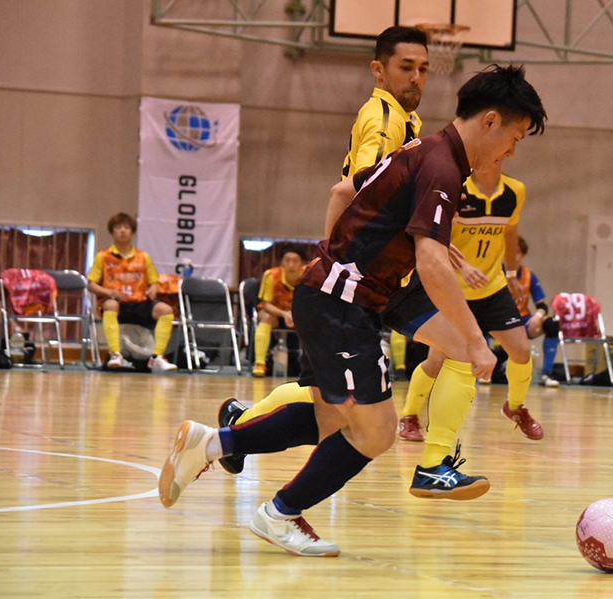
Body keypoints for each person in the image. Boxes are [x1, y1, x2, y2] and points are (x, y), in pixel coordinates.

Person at [158, 65, 547, 557]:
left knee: (330, 419)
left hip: (335, 297)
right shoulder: (444, 168)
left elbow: (344, 193)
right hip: (342, 304)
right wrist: (473, 340)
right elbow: (430, 262)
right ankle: (278, 513)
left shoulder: (424, 149)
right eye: (514, 137)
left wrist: (338, 258)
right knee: (376, 432)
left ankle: (213, 443)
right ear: (490, 121)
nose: (511, 152)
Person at [214, 26, 430, 451]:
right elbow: (355, 193)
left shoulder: (407, 120)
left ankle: (238, 426)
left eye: (423, 69)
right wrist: (339, 264)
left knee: (327, 396)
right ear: (378, 70)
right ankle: (433, 459)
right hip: (364, 273)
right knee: (344, 403)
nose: (416, 77)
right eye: (406, 67)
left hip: (376, 270)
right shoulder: (385, 121)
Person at [397, 165, 545, 443]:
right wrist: (463, 268)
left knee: (521, 351)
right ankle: (409, 415)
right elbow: (435, 240)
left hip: (492, 287)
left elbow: (510, 233)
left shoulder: (515, 191)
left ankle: (515, 407)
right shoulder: (456, 188)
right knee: (437, 360)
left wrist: (512, 274)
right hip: (452, 290)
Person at [86, 212, 177, 372]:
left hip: (139, 303)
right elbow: (91, 284)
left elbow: (154, 282)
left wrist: (153, 289)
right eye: (118, 227)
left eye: (126, 227)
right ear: (112, 231)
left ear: (132, 232)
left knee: (166, 310)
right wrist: (109, 291)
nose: (122, 231)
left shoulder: (143, 257)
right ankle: (115, 354)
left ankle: (157, 357)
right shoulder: (103, 256)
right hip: (117, 304)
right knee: (111, 305)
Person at [510, 236, 560, 388]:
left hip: (522, 321)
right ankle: (483, 373)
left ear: (523, 255)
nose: (514, 256)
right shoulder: (497, 272)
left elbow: (542, 305)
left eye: (518, 252)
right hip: (500, 321)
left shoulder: (528, 275)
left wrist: (538, 316)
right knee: (480, 322)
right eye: (511, 252)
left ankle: (546, 373)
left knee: (552, 324)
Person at [251, 248, 305, 377]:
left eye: (295, 261)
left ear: (302, 264)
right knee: (266, 317)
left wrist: (296, 314)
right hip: (275, 314)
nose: (291, 265)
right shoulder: (271, 275)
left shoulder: (308, 276)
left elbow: (311, 303)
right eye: (287, 260)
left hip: (298, 314)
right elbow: (266, 304)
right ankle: (260, 363)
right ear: (282, 263)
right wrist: (284, 314)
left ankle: (316, 366)